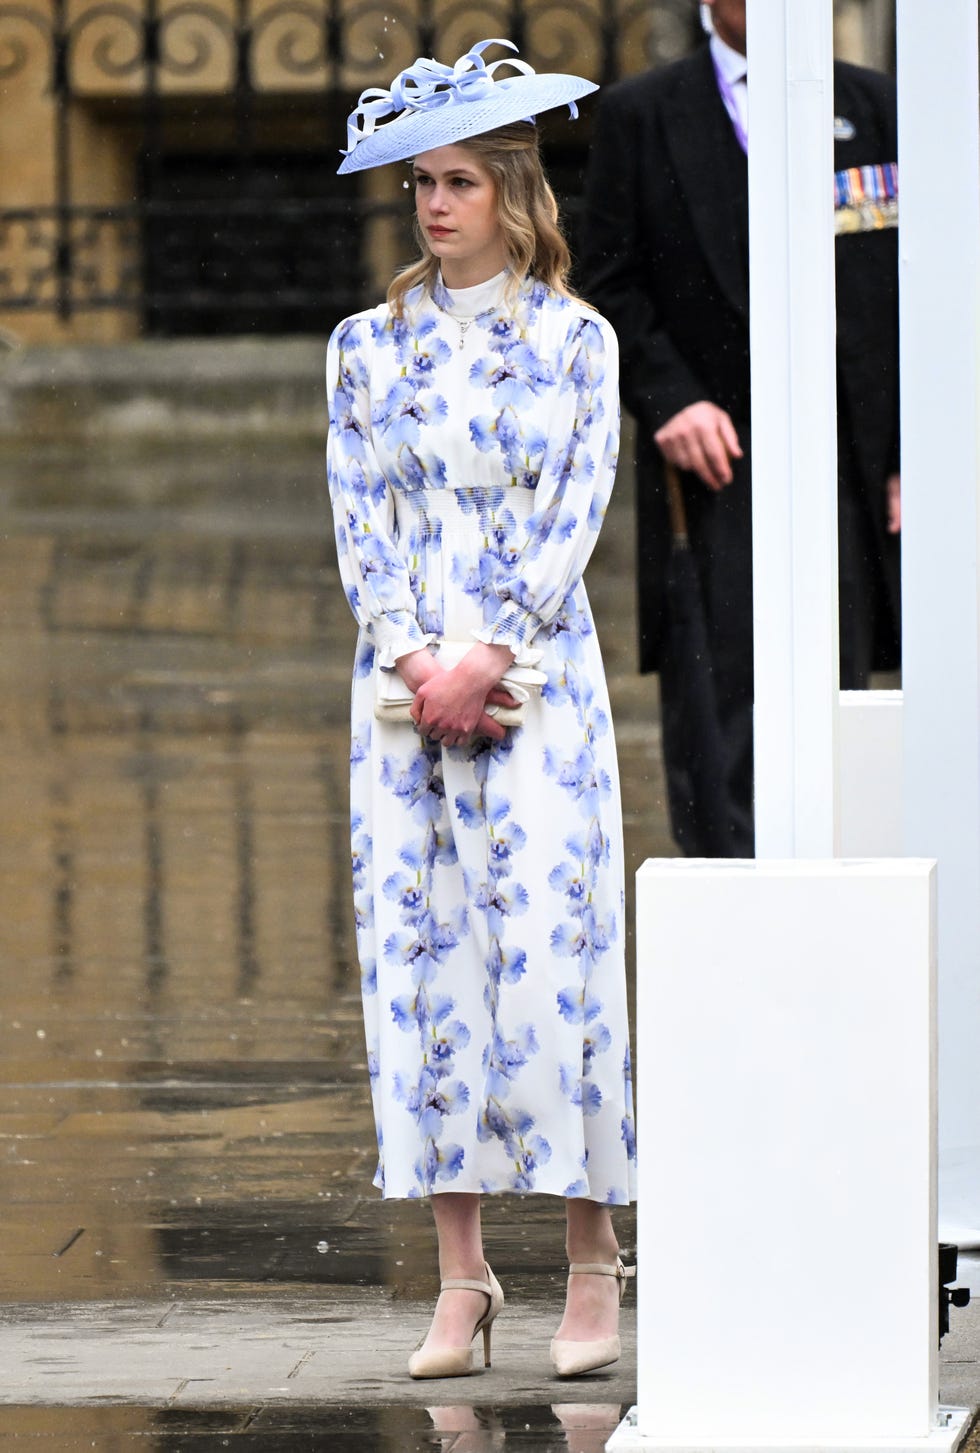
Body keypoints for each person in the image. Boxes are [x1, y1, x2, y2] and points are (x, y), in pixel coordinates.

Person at [326, 39, 637, 1381]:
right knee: (424, 967)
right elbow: (360, 513)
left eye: (458, 181)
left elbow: (578, 509)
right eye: (418, 185)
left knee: (556, 966)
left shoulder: (578, 341)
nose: (435, 205)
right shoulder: (364, 347)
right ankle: (462, 1276)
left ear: (514, 192)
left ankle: (592, 1258)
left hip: (539, 683)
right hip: (402, 704)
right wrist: (411, 655)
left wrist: (486, 652)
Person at [579, 0, 901, 857]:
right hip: (716, 456)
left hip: (852, 455)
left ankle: (838, 877)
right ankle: (731, 880)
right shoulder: (644, 114)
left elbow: (909, 284)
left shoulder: (873, 106)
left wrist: (910, 451)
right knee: (722, 689)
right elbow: (609, 281)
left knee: (847, 683)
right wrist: (670, 398)